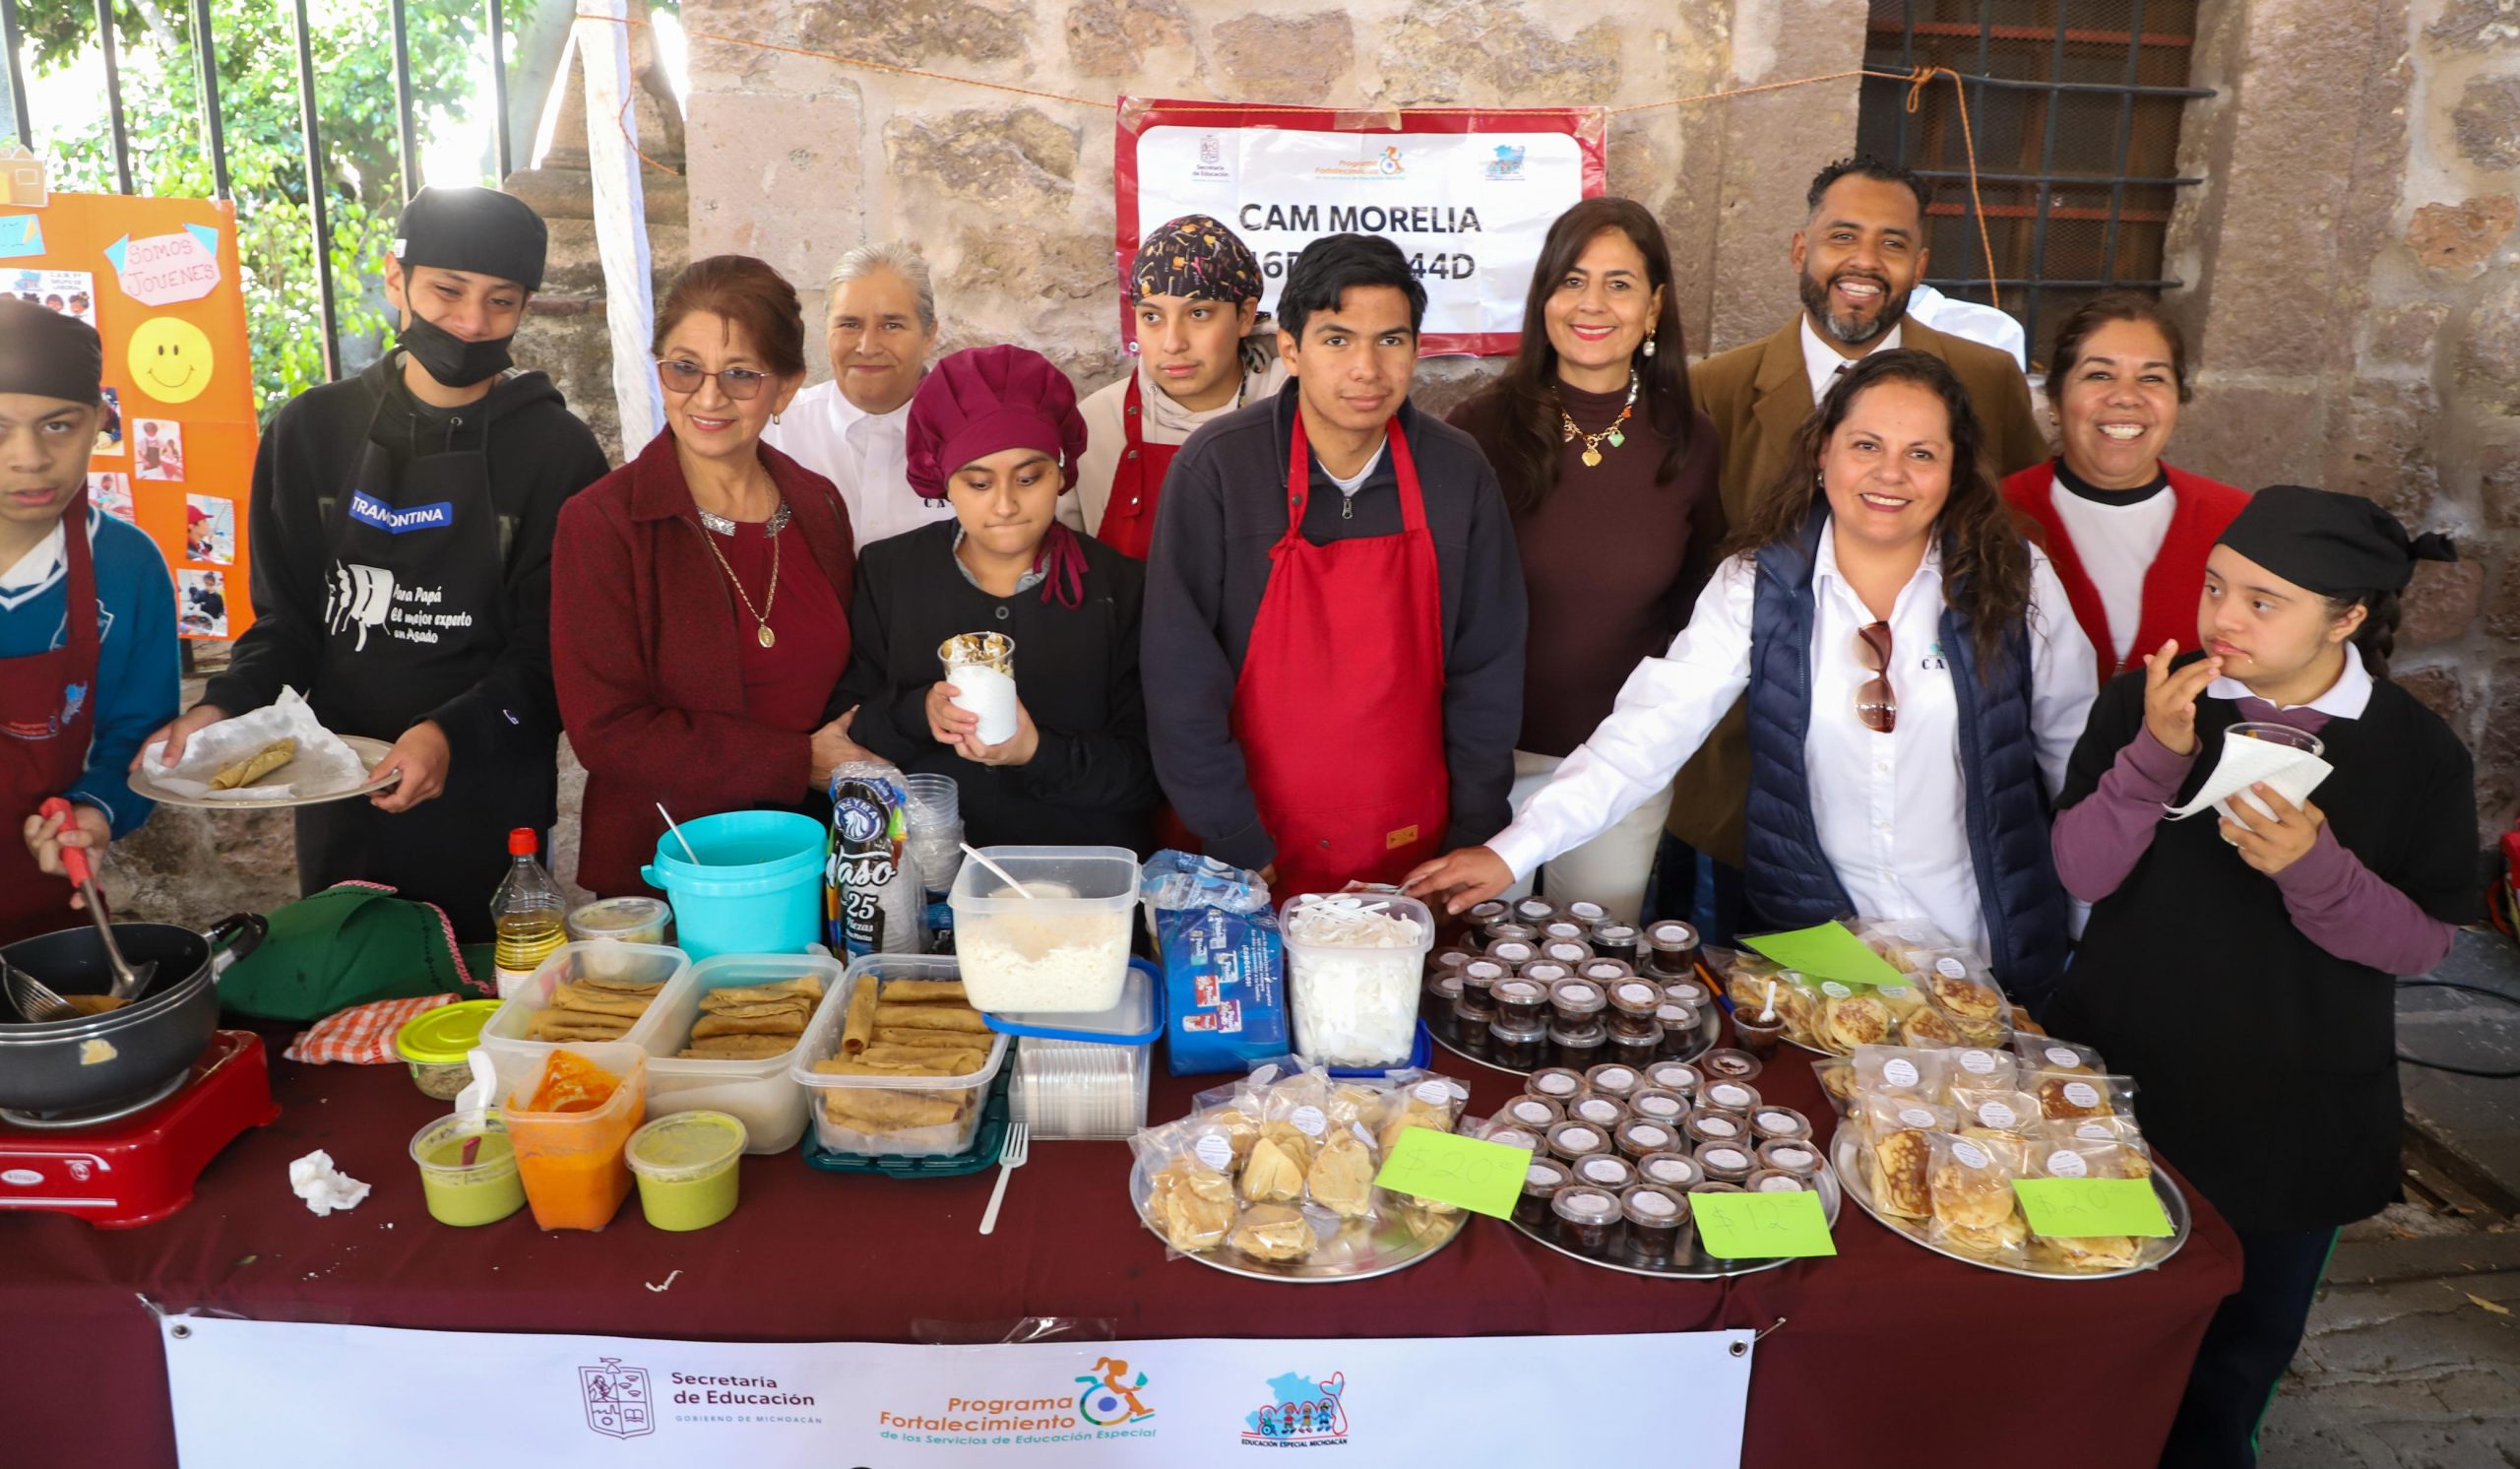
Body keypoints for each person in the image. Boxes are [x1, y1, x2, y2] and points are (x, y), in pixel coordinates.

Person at [1406, 351, 2096, 998]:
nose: (1891, 474)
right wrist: (1510, 852)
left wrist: (2089, 931)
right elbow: (1649, 732)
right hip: (1823, 962)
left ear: (1955, 469)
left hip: (1981, 953)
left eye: (1921, 454)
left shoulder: (2016, 577)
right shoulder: (1758, 584)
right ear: (1824, 451)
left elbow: (2076, 761)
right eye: (1866, 446)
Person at [2040, 486, 2472, 1468]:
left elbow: (2424, 945)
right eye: (2213, 587)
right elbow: (2079, 872)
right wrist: (2154, 758)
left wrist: (2314, 871)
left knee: (2232, 1357)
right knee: (2087, 1318)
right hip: (2116, 1083)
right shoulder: (2150, 701)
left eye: (2261, 601)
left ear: (2348, 616)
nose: (2220, 620)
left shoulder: (2414, 755)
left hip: (2293, 1110)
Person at [142, 186, 608, 941]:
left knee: (479, 996)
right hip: (336, 779)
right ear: (397, 280)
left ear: (527, 306)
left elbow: (549, 651)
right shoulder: (311, 433)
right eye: (447, 292)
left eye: (501, 301)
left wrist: (447, 734)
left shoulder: (556, 453)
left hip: (488, 790)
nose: (470, 322)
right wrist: (220, 709)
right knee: (345, 982)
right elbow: (289, 626)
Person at [1657, 155, 2052, 942]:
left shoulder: (1985, 380)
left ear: (1921, 265)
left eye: (1892, 243)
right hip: (1750, 782)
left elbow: (2005, 560)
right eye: (1844, 236)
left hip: (1935, 795)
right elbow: (1689, 571)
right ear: (1800, 249)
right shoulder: (1719, 390)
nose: (1865, 262)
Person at [1143, 232, 1526, 897]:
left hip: (1415, 852)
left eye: (1392, 340)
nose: (1367, 371)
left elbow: (1487, 667)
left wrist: (1471, 830)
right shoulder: (1218, 468)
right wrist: (1231, 831)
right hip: (1249, 845)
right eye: (1337, 339)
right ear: (1290, 347)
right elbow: (1179, 672)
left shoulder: (1457, 472)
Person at [553, 255, 865, 898]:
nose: (708, 396)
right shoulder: (603, 523)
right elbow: (606, 732)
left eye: (742, 375)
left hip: (810, 857)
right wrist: (798, 763)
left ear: (785, 388)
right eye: (684, 368)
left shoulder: (818, 504)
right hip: (669, 866)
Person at [1445, 197, 1720, 925]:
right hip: (1483, 766)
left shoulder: (1691, 442)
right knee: (1473, 971)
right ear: (1544, 298)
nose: (1592, 304)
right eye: (1572, 280)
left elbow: (1698, 612)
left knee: (1592, 969)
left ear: (1654, 306)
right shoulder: (1475, 432)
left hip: (1617, 765)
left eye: (1620, 284)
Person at [835, 345, 1156, 851]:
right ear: (941, 479)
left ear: (1061, 471)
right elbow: (848, 733)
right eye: (978, 482)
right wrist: (921, 712)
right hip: (931, 880)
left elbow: (1146, 773)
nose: (1006, 505)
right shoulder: (890, 575)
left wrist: (1037, 751)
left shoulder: (1121, 589)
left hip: (1084, 877)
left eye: (1029, 478)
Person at [3, 299, 177, 943]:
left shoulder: (127, 568)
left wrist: (95, 811)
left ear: (99, 422)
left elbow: (138, 734)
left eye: (58, 426)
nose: (29, 458)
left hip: (50, 914)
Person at [2003, 291, 2248, 683]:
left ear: (2177, 402)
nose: (2126, 397)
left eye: (2152, 378)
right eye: (2100, 374)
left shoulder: (2239, 521)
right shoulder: (1995, 515)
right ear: (2055, 397)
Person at [1073, 214, 1288, 556]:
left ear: (1245, 315)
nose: (1173, 343)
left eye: (1198, 313)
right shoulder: (1094, 425)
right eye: (1152, 317)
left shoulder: (1294, 411)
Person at [761, 241, 948, 549]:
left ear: (929, 336)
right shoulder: (773, 433)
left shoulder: (969, 438)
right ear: (826, 331)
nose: (868, 346)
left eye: (891, 325)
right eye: (850, 324)